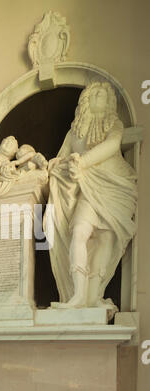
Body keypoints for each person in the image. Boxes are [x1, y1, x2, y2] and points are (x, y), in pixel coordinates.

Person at [44, 81, 137, 312]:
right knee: (79, 231)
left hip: (115, 185)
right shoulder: (74, 131)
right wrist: (61, 165)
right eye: (94, 94)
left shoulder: (114, 124)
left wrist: (82, 162)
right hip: (87, 190)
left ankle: (94, 296)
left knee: (105, 239)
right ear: (85, 100)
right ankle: (78, 295)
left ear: (110, 103)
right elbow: (60, 158)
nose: (99, 98)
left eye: (104, 95)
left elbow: (112, 145)